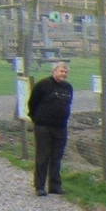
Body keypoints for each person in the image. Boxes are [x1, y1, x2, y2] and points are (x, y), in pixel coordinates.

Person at [27, 62, 74, 196]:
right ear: (54, 71)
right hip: (43, 126)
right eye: (61, 71)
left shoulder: (68, 87)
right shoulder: (43, 85)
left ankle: (55, 186)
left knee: (57, 157)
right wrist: (36, 118)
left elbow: (68, 104)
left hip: (61, 126)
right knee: (43, 156)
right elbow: (32, 103)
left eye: (65, 72)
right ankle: (40, 186)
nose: (63, 74)